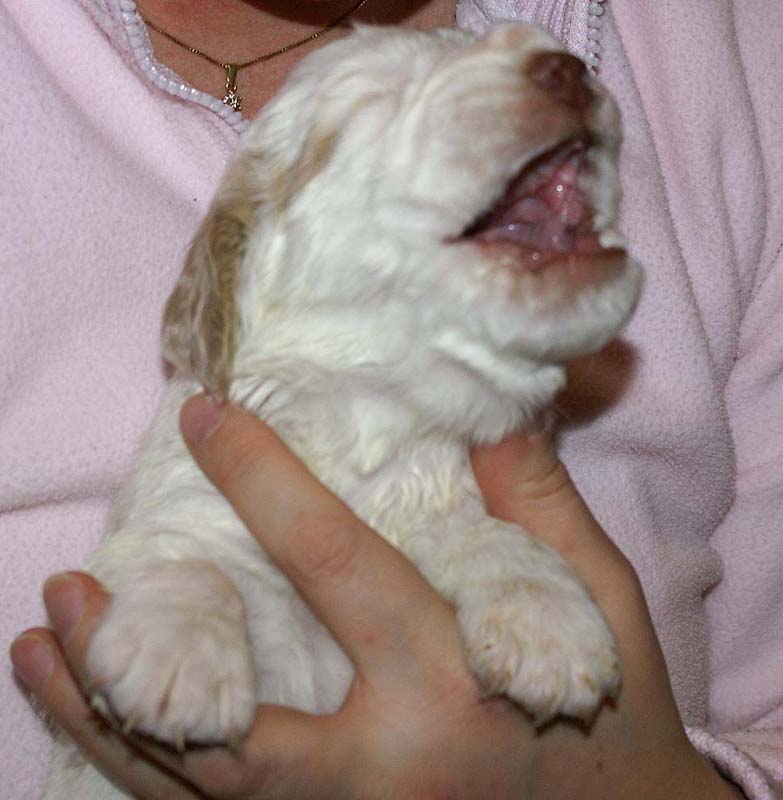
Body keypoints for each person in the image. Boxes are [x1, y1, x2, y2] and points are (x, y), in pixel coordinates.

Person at [2, 0, 781, 797]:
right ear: (234, 264)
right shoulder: (216, 414)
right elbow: (172, 551)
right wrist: (186, 603)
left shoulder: (734, 50)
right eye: (383, 101)